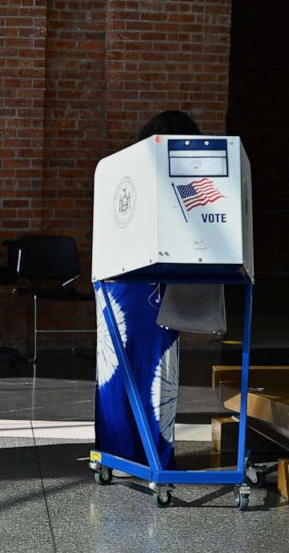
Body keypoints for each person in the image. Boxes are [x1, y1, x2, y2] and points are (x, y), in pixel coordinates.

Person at [94, 109, 200, 471]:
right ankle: (155, 457)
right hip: (152, 283)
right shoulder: (173, 177)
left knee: (121, 368)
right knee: (156, 368)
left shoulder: (124, 174)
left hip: (120, 281)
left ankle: (117, 452)